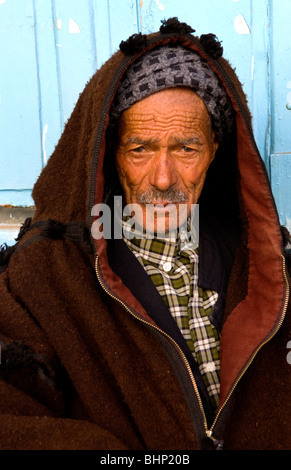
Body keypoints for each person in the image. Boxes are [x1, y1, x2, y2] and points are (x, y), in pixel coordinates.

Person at [0, 17, 290, 451]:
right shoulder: (45, 276)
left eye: (186, 148)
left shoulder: (268, 265)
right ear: (109, 153)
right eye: (140, 148)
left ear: (214, 150)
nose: (162, 177)